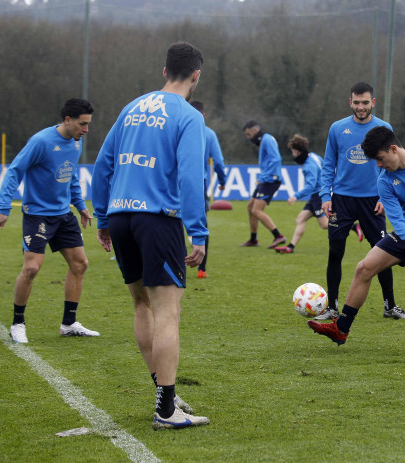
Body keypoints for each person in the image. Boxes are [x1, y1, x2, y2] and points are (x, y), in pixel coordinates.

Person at [91, 42, 210, 429]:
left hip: (122, 217)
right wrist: (198, 232)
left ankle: (166, 395)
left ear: (164, 72)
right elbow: (192, 177)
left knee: (142, 307)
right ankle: (166, 409)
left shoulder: (131, 108)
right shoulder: (190, 117)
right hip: (157, 220)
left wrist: (104, 219)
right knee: (167, 311)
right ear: (195, 75)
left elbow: (103, 165)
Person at [308, 127, 405, 354]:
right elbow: (397, 221)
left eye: (380, 159)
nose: (378, 165)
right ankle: (341, 329)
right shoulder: (384, 181)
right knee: (364, 268)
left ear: (393, 149)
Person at [0, 98, 99, 344]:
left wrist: (81, 206)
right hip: (38, 214)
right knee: (31, 268)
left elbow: (72, 175)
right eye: (82, 124)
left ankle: (69, 323)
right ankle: (18, 323)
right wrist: (3, 205)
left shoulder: (76, 142)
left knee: (80, 264)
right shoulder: (40, 142)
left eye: (88, 125)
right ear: (67, 120)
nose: (86, 130)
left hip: (64, 215)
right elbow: (15, 170)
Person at [317, 82, 405, 321]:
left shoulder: (383, 127)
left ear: (373, 102)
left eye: (365, 102)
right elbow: (328, 164)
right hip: (342, 200)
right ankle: (332, 307)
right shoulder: (337, 129)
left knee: (383, 253)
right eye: (356, 102)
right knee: (335, 253)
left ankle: (390, 305)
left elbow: (394, 166)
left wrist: (385, 197)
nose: (361, 107)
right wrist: (324, 197)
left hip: (373, 201)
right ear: (350, 102)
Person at [275, 134, 330, 253]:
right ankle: (290, 247)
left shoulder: (309, 166)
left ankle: (352, 226)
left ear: (298, 151)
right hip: (319, 193)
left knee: (325, 225)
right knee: (300, 218)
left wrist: (295, 196)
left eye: (293, 152)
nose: (293, 155)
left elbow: (310, 186)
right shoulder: (314, 156)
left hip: (319, 195)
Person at [190, 100, 227, 278]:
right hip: (198, 183)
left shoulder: (178, 129)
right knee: (201, 224)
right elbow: (218, 162)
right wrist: (222, 180)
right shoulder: (209, 134)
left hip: (175, 183)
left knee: (172, 223)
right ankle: (202, 269)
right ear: (203, 115)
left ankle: (174, 264)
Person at [238, 120, 286, 249]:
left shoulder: (267, 139)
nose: (248, 138)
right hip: (266, 179)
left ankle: (278, 236)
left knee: (256, 210)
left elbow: (276, 159)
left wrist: (263, 176)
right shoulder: (265, 139)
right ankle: (253, 240)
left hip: (270, 180)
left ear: (255, 130)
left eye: (248, 134)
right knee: (250, 207)